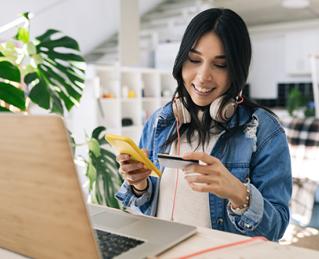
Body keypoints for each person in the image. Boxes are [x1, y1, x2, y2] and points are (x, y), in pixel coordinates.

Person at [115, 8, 292, 241]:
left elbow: (275, 228)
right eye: (194, 60)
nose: (202, 76)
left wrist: (238, 193)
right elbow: (148, 209)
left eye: (220, 65)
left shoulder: (263, 130)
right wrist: (139, 184)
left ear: (236, 71)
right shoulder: (161, 121)